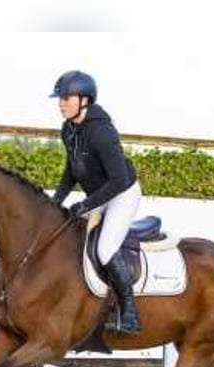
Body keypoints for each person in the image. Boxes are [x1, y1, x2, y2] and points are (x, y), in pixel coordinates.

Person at [49, 70, 141, 335]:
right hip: (101, 192)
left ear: (85, 100)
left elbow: (119, 180)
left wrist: (85, 204)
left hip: (122, 193)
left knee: (105, 249)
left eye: (66, 98)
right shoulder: (68, 129)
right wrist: (57, 200)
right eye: (60, 98)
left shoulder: (102, 132)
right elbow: (72, 170)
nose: (61, 103)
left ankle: (129, 313)